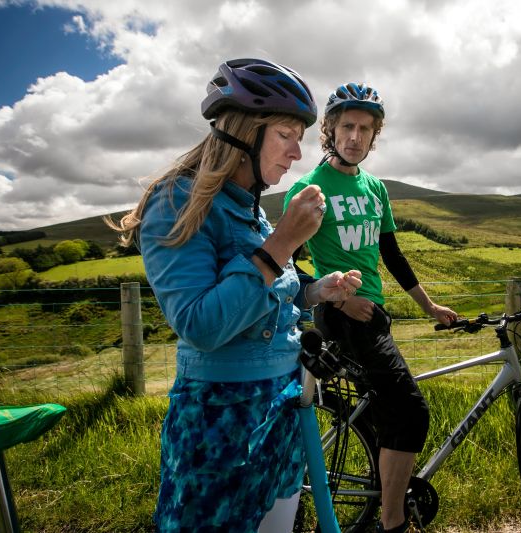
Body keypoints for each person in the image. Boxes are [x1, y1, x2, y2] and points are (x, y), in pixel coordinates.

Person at [108, 59, 362, 533]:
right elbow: (200, 325)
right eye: (286, 135)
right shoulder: (177, 202)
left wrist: (314, 291)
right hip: (220, 419)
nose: (296, 155)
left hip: (283, 404)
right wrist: (282, 243)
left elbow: (269, 291)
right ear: (245, 131)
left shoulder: (253, 211)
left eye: (300, 140)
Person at [284, 83, 458, 533]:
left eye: (365, 129)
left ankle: (374, 512)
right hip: (344, 316)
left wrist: (429, 306)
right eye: (347, 126)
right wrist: (338, 296)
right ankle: (392, 523)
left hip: (375, 314)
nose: (355, 137)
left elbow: (392, 256)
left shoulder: (376, 189)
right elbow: (285, 261)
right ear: (329, 129)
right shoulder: (309, 189)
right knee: (411, 413)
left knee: (385, 419)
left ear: (374, 134)